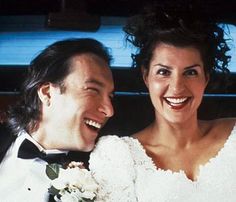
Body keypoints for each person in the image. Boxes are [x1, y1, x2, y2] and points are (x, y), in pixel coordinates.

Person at [89, 6, 236, 202]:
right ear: (146, 76)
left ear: (206, 78)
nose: (176, 88)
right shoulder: (117, 157)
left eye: (190, 72)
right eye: (163, 72)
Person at [0, 38, 114, 201]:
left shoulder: (102, 177)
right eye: (93, 90)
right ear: (47, 93)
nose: (109, 110)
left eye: (110, 96)